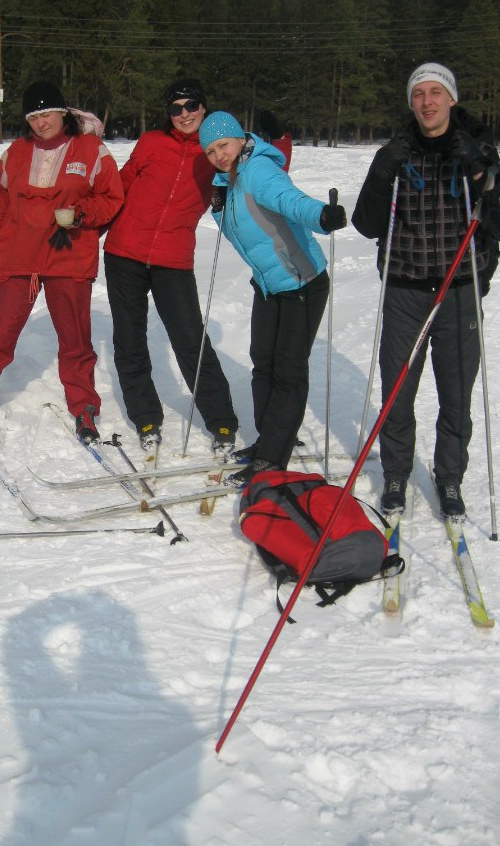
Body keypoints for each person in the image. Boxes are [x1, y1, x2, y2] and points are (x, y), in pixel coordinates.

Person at [352, 62, 500, 517]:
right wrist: (382, 170)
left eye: (436, 92)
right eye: (419, 94)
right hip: (405, 289)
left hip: (459, 289)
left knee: (456, 391)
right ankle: (396, 472)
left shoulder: (479, 149)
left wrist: (480, 172)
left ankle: (449, 477)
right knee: (398, 389)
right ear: (411, 102)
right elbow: (366, 223)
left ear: (452, 98)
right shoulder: (397, 150)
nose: (427, 102)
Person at [0, 81, 123, 443]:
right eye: (33, 116)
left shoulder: (92, 150)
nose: (41, 122)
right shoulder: (15, 152)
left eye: (47, 113)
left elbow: (112, 198)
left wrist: (81, 213)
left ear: (64, 113)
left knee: (76, 342)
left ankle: (84, 409)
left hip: (69, 257)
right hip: (18, 258)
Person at [199, 110, 347, 483]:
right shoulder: (229, 180)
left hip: (302, 282)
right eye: (211, 150)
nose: (219, 154)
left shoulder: (258, 171)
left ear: (240, 139)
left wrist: (322, 216)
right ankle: (271, 439)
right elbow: (241, 229)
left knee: (288, 370)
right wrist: (218, 210)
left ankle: (272, 456)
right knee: (263, 361)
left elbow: (290, 201)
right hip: (268, 285)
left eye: (224, 145)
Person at [103, 78, 239, 456]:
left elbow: (247, 166)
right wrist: (88, 224)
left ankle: (222, 420)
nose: (184, 114)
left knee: (190, 339)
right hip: (124, 253)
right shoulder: (150, 143)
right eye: (176, 108)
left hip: (173, 259)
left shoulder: (212, 150)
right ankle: (145, 417)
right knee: (129, 340)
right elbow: (120, 186)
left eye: (191, 106)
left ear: (204, 107)